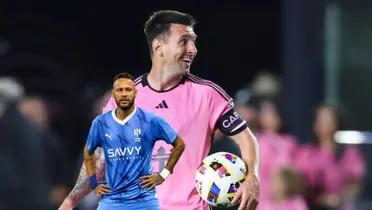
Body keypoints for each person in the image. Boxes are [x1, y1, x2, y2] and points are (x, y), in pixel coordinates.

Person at [59, 10, 259, 210]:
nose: (193, 49)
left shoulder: (206, 94)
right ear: (159, 47)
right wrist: (70, 202)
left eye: (194, 42)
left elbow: (245, 137)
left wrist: (251, 177)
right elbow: (98, 158)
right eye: (184, 41)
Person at [83, 72, 185, 210]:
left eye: (128, 90)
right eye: (119, 90)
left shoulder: (150, 120)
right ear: (114, 94)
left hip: (144, 202)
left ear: (135, 93)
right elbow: (88, 154)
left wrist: (163, 175)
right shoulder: (100, 123)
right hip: (111, 202)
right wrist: (94, 183)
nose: (124, 94)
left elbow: (179, 144)